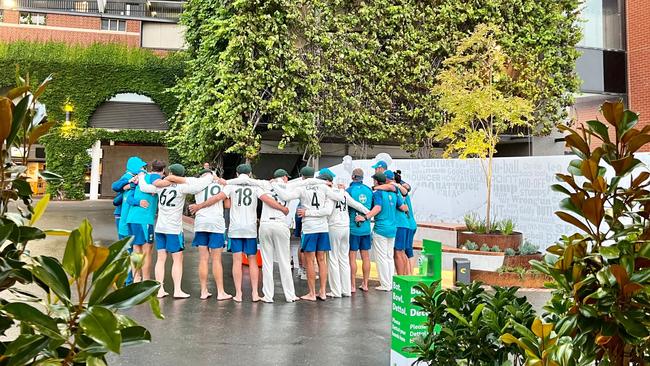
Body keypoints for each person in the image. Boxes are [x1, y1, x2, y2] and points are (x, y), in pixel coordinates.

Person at [206, 164, 289, 302]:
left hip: (235, 229)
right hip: (250, 228)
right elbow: (267, 199)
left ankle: (238, 294)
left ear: (237, 174)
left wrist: (201, 206)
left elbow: (222, 201)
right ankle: (255, 293)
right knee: (252, 260)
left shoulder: (231, 186)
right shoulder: (256, 187)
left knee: (237, 261)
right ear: (250, 174)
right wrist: (282, 208)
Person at [138, 164, 213, 299]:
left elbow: (144, 187)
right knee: (177, 259)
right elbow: (198, 184)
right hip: (174, 229)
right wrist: (210, 176)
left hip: (160, 227)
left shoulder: (161, 186)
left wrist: (142, 175)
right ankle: (177, 290)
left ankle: (160, 289)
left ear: (171, 173)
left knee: (161, 258)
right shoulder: (183, 187)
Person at [272, 167, 333, 301]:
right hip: (323, 227)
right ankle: (322, 291)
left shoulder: (302, 188)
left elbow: (286, 196)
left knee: (310, 260)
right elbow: (329, 209)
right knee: (322, 260)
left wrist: (275, 185)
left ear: (302, 177)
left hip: (310, 227)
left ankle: (312, 293)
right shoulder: (324, 188)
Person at [317, 168, 369, 298]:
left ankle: (335, 291)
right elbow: (357, 205)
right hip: (346, 227)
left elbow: (327, 211)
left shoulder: (328, 192)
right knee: (344, 258)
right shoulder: (343, 192)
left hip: (334, 226)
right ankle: (346, 289)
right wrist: (368, 213)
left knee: (333, 259)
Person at [355, 172, 407, 291]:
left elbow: (377, 208)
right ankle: (390, 283)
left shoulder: (378, 193)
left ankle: (385, 284)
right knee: (389, 257)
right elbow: (403, 207)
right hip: (392, 229)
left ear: (376, 182)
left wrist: (365, 217)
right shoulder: (394, 194)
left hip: (381, 229)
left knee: (382, 258)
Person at [187, 169, 233, 301]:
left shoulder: (198, 185)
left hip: (201, 223)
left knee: (203, 259)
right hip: (216, 224)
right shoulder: (221, 185)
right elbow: (228, 205)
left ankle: (203, 291)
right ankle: (220, 292)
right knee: (216, 259)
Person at [258, 169, 298, 303]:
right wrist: (282, 208)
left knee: (267, 262)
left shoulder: (266, 185)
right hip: (281, 224)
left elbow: (263, 197)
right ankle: (290, 295)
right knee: (284, 261)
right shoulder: (289, 187)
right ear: (285, 177)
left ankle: (268, 296)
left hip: (265, 223)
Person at [125, 160, 166, 282]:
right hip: (144, 220)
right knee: (147, 251)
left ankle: (136, 279)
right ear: (163, 170)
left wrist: (138, 201)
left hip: (132, 218)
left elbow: (129, 198)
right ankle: (146, 281)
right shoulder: (155, 178)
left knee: (137, 250)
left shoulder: (140, 179)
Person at [347, 168, 374, 292]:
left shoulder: (349, 191)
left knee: (352, 256)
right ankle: (365, 284)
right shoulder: (369, 190)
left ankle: (352, 285)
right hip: (366, 228)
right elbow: (372, 209)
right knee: (366, 257)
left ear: (353, 177)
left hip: (353, 228)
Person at [385, 170, 409, 275]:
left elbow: (403, 206)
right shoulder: (397, 188)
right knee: (401, 252)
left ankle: (400, 278)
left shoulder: (393, 189)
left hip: (399, 224)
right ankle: (403, 277)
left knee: (398, 252)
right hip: (403, 223)